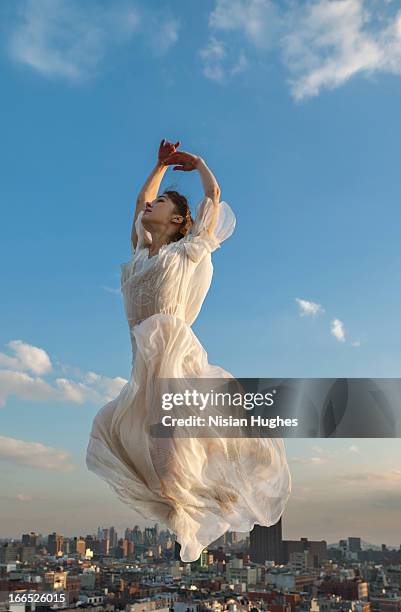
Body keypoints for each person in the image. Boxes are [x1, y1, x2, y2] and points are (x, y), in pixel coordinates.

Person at [86, 139, 292, 562]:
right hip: (143, 363)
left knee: (170, 451)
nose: (151, 204)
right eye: (154, 201)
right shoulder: (141, 253)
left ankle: (209, 501)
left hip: (174, 357)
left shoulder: (188, 252)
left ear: (179, 219)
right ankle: (198, 500)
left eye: (162, 203)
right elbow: (141, 200)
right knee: (120, 436)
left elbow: (213, 199)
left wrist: (198, 164)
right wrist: (160, 167)